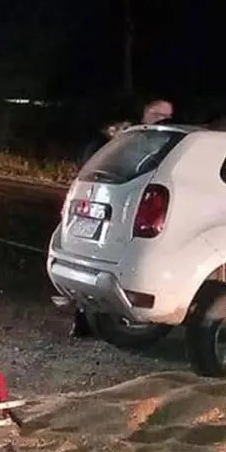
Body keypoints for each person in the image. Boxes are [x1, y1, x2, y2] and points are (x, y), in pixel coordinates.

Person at [70, 97, 175, 339]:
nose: (163, 120)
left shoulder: (158, 142)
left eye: (167, 115)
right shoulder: (127, 141)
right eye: (157, 114)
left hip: (119, 214)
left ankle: (96, 321)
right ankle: (84, 320)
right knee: (90, 264)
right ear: (143, 114)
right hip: (103, 208)